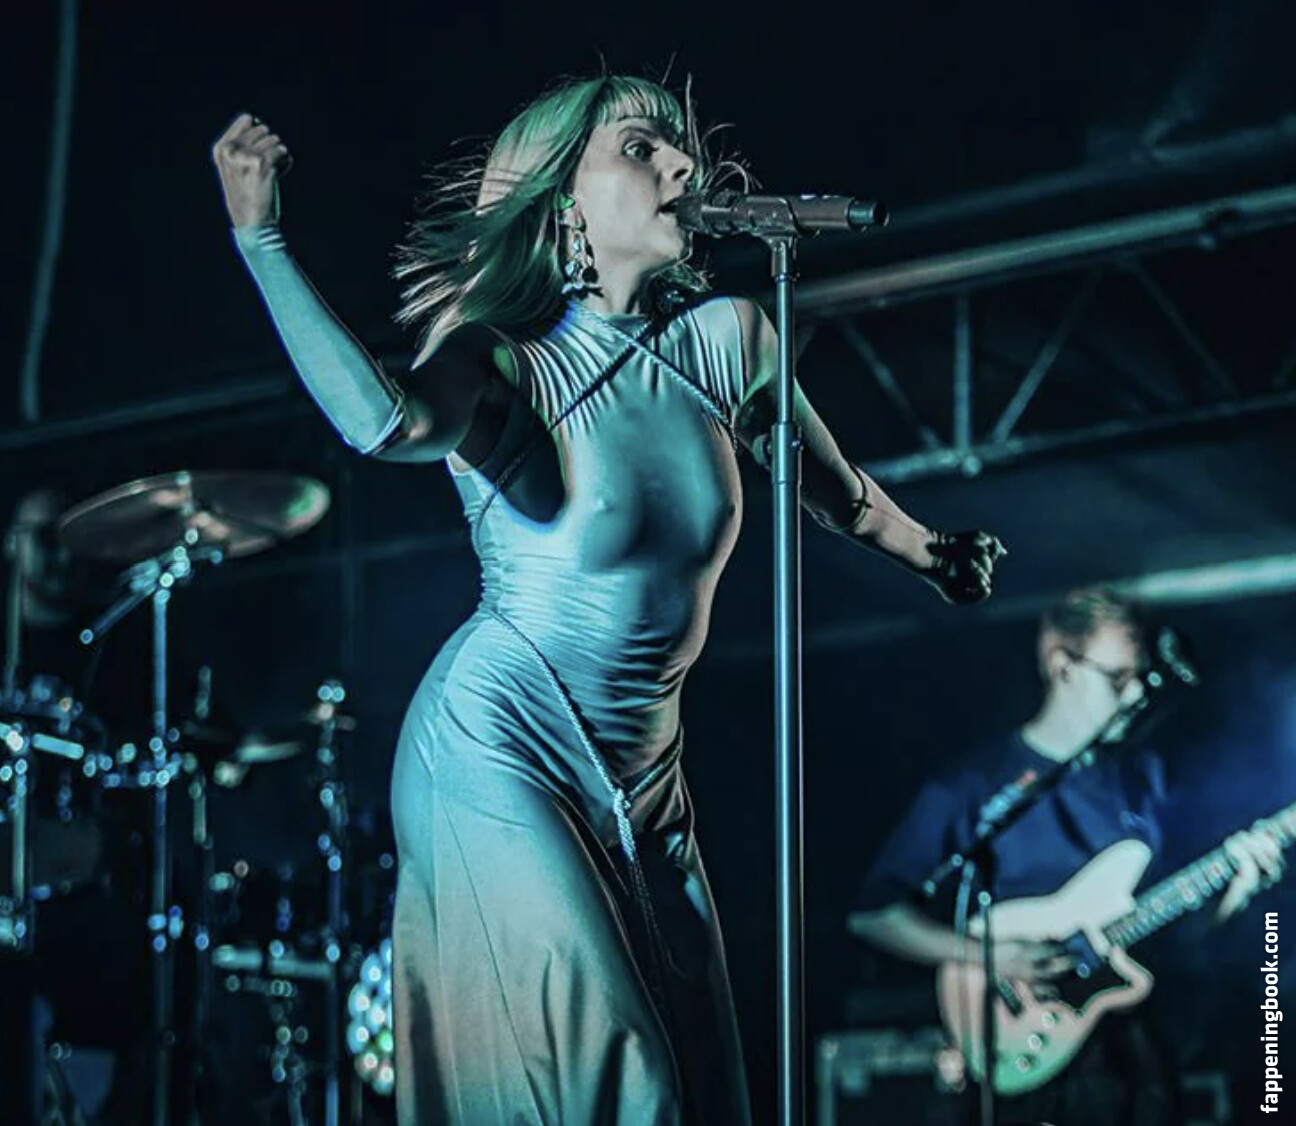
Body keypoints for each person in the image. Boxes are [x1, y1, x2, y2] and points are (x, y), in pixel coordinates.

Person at [210, 74, 1006, 1126]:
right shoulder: (504, 359)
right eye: (640, 148)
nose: (681, 166)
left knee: (700, 1085)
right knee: (624, 1076)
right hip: (504, 741)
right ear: (562, 199)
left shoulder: (731, 341)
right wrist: (263, 243)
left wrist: (934, 552)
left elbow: (838, 495)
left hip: (646, 773)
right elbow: (386, 424)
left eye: (681, 148)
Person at [848, 588, 1285, 1125]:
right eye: (1118, 678)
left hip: (1130, 1052)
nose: (1135, 695)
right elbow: (874, 915)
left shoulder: (1143, 780)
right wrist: (989, 956)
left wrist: (1232, 894)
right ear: (1063, 666)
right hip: (1024, 1048)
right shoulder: (973, 786)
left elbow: (1167, 940)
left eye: (1140, 678)